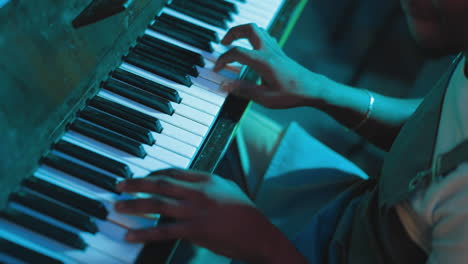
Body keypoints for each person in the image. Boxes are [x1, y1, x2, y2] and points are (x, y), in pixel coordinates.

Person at [114, 0, 468, 263]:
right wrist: (318, 88)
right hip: (349, 210)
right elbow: (438, 123)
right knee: (187, 128)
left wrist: (259, 241)